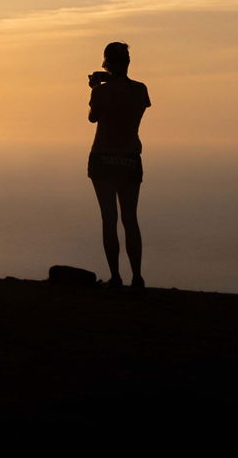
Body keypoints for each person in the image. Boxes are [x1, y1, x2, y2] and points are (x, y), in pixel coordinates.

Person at [87, 42, 150, 290]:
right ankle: (137, 277)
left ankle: (115, 276)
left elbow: (94, 117)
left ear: (107, 62)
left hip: (103, 157)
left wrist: (96, 88)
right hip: (130, 157)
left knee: (109, 219)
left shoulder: (100, 92)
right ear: (127, 62)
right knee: (130, 219)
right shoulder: (140, 90)